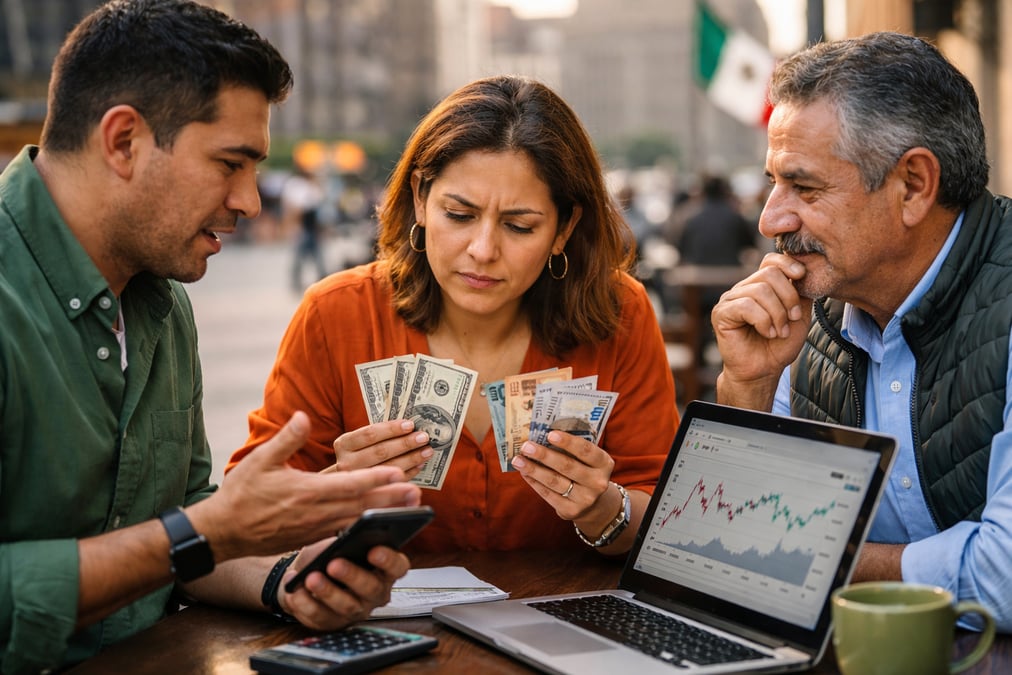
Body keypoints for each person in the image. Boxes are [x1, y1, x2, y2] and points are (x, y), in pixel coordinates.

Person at [0, 2, 422, 672]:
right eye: (231, 163)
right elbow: (190, 534)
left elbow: (184, 526)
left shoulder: (161, 296)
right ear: (124, 142)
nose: (251, 201)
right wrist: (210, 529)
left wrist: (289, 574)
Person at [228, 75, 680, 555]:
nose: (483, 250)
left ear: (564, 228)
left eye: (519, 226)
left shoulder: (619, 312)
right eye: (460, 216)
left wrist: (604, 509)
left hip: (562, 618)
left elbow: (662, 514)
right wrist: (334, 491)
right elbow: (245, 518)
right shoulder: (336, 314)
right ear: (421, 199)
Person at [711, 31, 1012, 631]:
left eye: (805, 186)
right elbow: (723, 550)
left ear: (914, 186)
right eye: (773, 182)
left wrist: (820, 564)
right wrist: (746, 386)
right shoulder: (807, 311)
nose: (772, 218)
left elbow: (1004, 579)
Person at [676, 174, 758, 360]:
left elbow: (680, 250)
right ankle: (729, 362)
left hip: (698, 293)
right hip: (730, 290)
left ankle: (696, 368)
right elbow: (750, 245)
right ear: (725, 191)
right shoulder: (736, 217)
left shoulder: (690, 218)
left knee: (697, 327)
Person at [283, 163, 328, 290]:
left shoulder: (310, 186)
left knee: (317, 257)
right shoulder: (296, 185)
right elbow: (295, 209)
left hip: (311, 226)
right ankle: (296, 283)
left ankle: (322, 281)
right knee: (301, 257)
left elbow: (317, 203)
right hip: (303, 226)